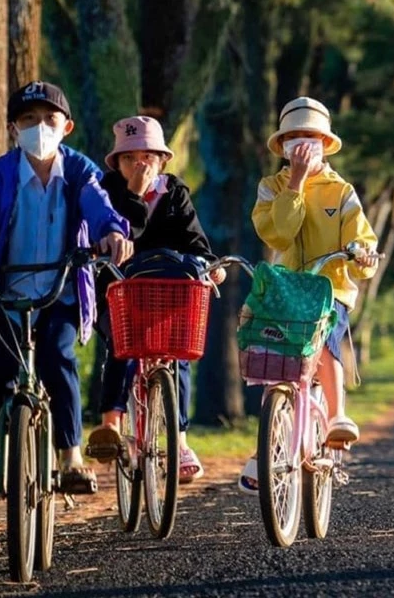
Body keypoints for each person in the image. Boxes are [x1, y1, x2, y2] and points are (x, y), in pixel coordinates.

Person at [0, 81, 133, 494]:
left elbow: (99, 205)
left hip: (61, 289)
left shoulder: (80, 170)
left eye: (50, 119)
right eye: (28, 120)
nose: (39, 128)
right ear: (13, 128)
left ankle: (71, 454)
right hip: (7, 289)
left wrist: (112, 233)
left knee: (56, 357)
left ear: (66, 127)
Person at [240, 97, 379, 493]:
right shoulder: (271, 188)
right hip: (284, 289)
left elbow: (362, 244)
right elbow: (279, 233)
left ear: (325, 141)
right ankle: (269, 444)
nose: (302, 144)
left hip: (327, 287)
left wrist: (363, 256)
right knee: (271, 358)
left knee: (323, 340)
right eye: (294, 137)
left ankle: (336, 417)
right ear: (283, 144)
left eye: (310, 136)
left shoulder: (342, 191)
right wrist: (296, 184)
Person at [84, 116, 225, 484]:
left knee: (178, 355)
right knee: (122, 346)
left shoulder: (175, 192)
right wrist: (133, 194)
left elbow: (196, 241)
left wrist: (210, 266)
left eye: (148, 156)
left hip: (167, 297)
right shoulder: (106, 190)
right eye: (130, 158)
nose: (140, 164)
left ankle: (179, 440)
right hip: (121, 292)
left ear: (163, 159)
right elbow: (123, 233)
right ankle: (111, 425)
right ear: (118, 162)